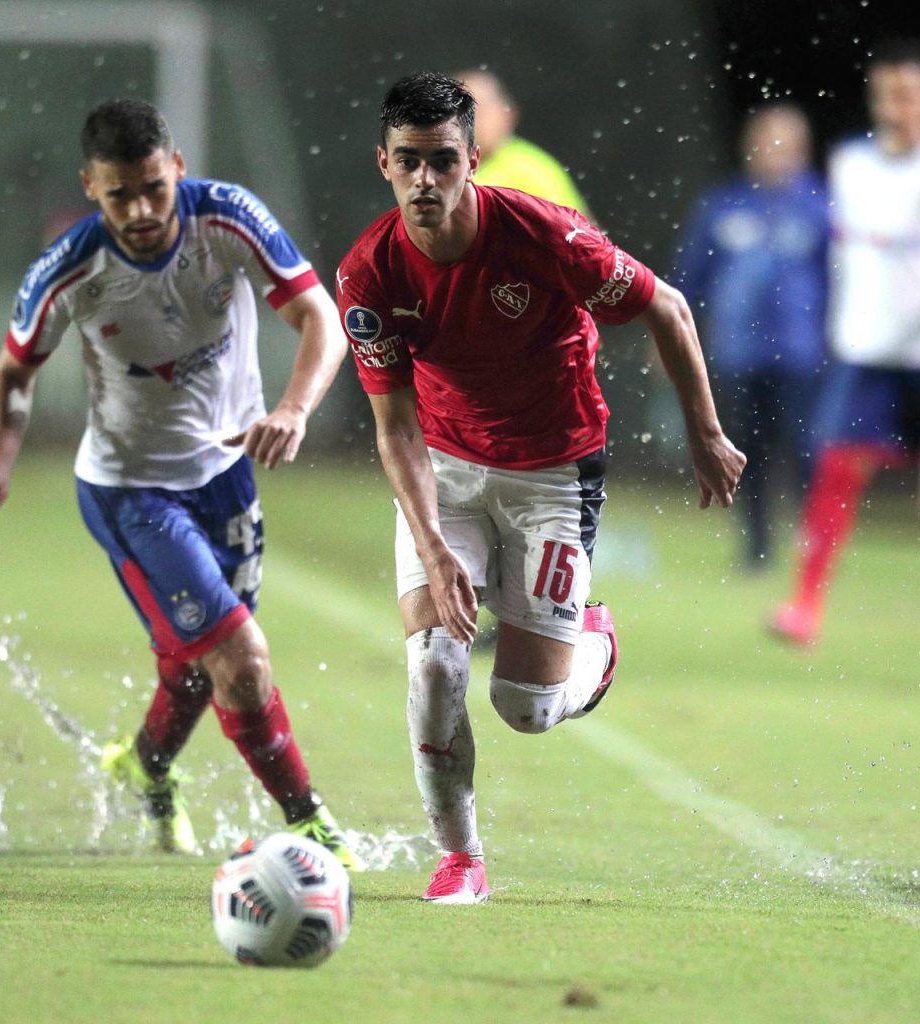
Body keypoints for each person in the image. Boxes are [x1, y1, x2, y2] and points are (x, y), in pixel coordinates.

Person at [337, 73, 744, 903]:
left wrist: (704, 434)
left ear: (472, 161)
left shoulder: (544, 236)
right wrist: (432, 547)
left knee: (525, 707)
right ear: (383, 162)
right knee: (435, 667)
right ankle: (460, 858)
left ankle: (593, 643)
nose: (425, 181)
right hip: (445, 471)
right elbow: (395, 429)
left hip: (553, 474)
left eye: (442, 161)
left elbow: (666, 307)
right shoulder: (369, 275)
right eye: (408, 162)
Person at [0, 99, 358, 865]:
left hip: (227, 475)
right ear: (90, 188)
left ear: (176, 168)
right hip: (131, 492)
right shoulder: (70, 268)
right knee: (241, 659)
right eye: (117, 196)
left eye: (152, 190)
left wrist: (294, 408)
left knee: (203, 671)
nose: (138, 211)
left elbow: (320, 318)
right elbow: (12, 373)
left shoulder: (228, 219)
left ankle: (147, 766)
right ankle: (310, 826)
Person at [769, 39, 920, 653]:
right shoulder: (850, 165)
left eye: (908, 95)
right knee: (836, 472)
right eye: (886, 95)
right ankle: (804, 604)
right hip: (866, 350)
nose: (896, 108)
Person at [674, 103, 828, 567]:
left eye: (783, 143)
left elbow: (843, 281)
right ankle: (756, 545)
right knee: (745, 450)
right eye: (763, 142)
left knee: (806, 450)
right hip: (739, 353)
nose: (771, 153)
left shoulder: (822, 207)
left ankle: (813, 544)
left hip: (804, 354)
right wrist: (671, 339)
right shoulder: (722, 206)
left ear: (802, 151)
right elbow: (688, 279)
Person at [457, 70, 591, 215]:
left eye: (481, 112)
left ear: (506, 114)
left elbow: (574, 231)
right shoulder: (439, 168)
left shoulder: (531, 170)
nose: (473, 122)